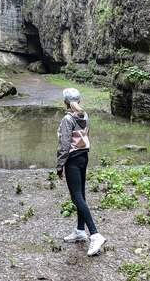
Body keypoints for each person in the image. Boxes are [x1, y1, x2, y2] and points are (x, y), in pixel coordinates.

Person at [56, 87, 106, 256]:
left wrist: (59, 166)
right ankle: (79, 230)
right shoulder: (85, 116)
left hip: (72, 160)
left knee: (76, 197)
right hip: (84, 156)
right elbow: (86, 135)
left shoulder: (67, 119)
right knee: (81, 195)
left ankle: (95, 234)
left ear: (65, 102)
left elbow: (64, 144)